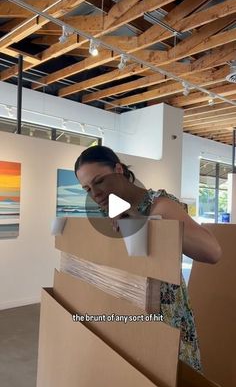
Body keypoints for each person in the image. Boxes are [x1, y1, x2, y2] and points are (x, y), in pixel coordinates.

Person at [74, 145, 222, 372]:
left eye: (100, 181)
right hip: (130, 313)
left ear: (118, 169)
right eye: (87, 189)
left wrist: (152, 224)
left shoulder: (159, 204)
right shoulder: (111, 211)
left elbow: (213, 252)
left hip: (164, 318)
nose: (95, 193)